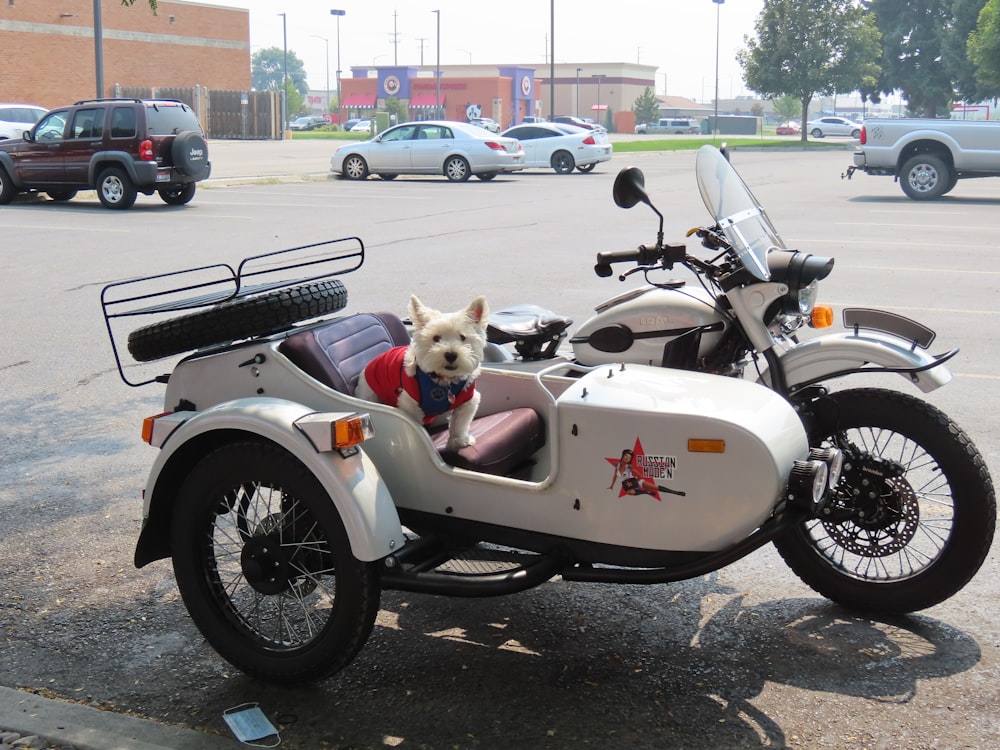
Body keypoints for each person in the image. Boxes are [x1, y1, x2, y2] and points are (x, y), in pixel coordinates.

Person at [608, 448, 686, 497]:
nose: (627, 458)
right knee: (629, 493)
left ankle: (675, 492)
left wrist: (635, 482)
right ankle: (646, 492)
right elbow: (615, 475)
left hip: (636, 481)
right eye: (626, 456)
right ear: (623, 455)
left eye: (629, 458)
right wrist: (612, 485)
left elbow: (640, 476)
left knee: (656, 487)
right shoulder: (617, 465)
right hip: (628, 485)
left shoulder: (629, 467)